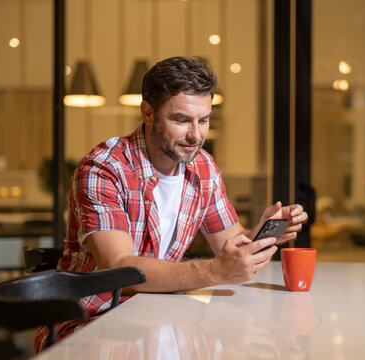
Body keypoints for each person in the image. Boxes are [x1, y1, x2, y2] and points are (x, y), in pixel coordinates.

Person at [34, 56, 308, 351]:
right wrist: (217, 270)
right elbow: (118, 269)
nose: (196, 135)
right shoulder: (104, 169)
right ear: (148, 113)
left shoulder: (202, 167)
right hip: (91, 325)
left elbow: (230, 246)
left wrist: (261, 236)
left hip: (159, 316)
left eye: (203, 120)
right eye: (181, 120)